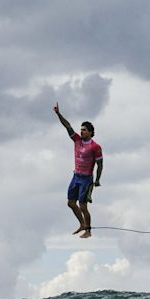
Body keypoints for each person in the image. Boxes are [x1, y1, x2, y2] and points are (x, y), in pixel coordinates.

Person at [53, 102, 103, 239]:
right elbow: (68, 126)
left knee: (83, 206)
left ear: (91, 132)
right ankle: (82, 224)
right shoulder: (77, 140)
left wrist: (97, 180)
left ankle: (88, 230)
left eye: (84, 130)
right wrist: (58, 114)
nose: (81, 132)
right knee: (70, 203)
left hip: (86, 179)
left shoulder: (95, 147)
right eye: (81, 129)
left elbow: (100, 164)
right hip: (76, 176)